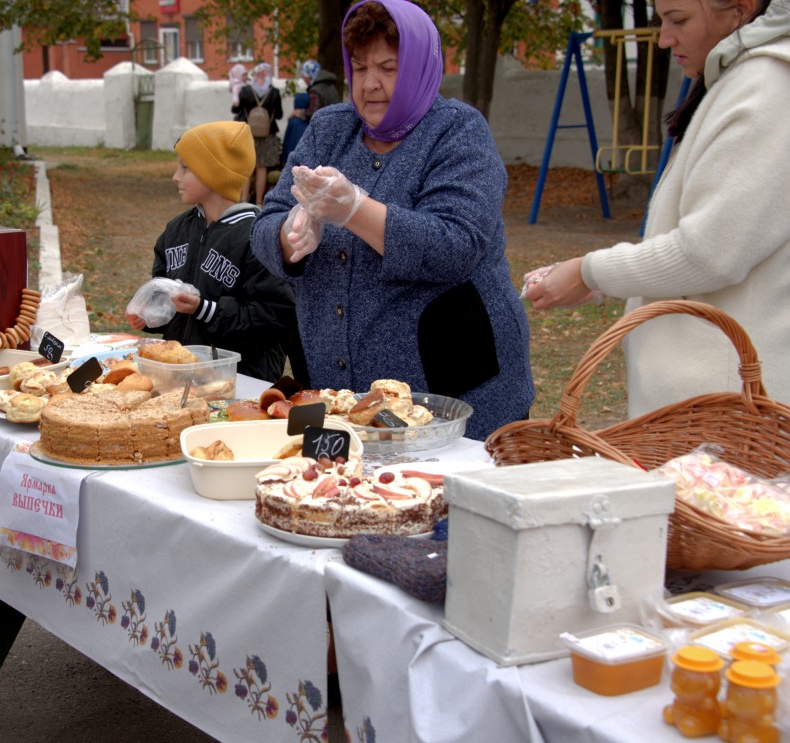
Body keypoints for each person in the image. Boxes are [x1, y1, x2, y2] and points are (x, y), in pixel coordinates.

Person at [251, 0, 534, 440]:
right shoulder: (328, 129)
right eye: (360, 68)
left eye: (388, 67)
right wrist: (290, 235)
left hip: (452, 395)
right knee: (337, 502)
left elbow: (455, 246)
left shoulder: (458, 132)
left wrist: (354, 210)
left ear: (420, 67)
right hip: (339, 393)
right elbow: (265, 222)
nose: (371, 84)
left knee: (443, 506)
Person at [525, 0, 790, 417]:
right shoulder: (743, 80)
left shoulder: (767, 86)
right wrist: (598, 280)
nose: (665, 39)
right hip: (707, 404)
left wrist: (588, 271)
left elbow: (710, 253)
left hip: (725, 413)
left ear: (739, 9)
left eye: (678, 20)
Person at [125, 121, 296, 382]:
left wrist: (205, 308)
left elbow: (273, 318)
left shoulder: (259, 237)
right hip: (181, 379)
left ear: (214, 174)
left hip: (239, 383)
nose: (175, 176)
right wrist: (150, 316)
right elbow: (164, 297)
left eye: (185, 168)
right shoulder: (176, 231)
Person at [233, 62, 283, 206]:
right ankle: (259, 201)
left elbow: (237, 110)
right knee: (262, 168)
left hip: (249, 132)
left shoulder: (246, 90)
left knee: (247, 166)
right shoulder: (274, 92)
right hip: (267, 134)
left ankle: (243, 199)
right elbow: (279, 114)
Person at [280, 91, 311, 167]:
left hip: (292, 157)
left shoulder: (293, 121)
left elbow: (286, 141)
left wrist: (283, 158)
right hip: (307, 158)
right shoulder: (311, 122)